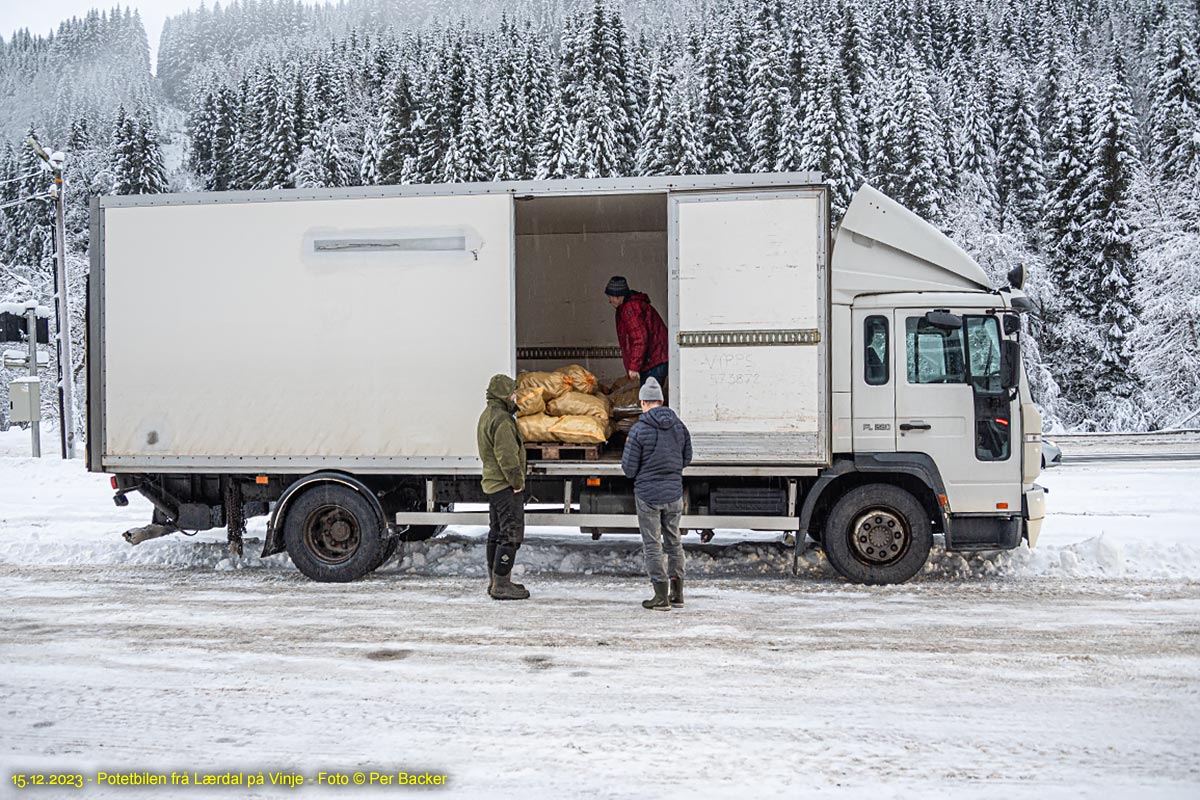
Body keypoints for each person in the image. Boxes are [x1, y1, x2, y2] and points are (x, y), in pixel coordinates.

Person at [621, 377, 692, 611]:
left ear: (643, 403)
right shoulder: (679, 426)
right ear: (661, 401)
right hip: (673, 495)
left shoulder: (638, 430)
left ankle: (660, 596)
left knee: (653, 545)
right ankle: (678, 595)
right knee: (674, 542)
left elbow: (629, 469)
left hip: (648, 496)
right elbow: (687, 458)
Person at [476, 374, 530, 601]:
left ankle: (495, 580)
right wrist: (517, 482)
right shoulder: (503, 421)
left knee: (496, 532)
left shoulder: (487, 415)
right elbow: (507, 457)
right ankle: (502, 584)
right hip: (505, 485)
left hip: (493, 483)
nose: (514, 396)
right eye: (512, 392)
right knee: (510, 533)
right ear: (503, 395)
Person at [605, 275, 669, 391]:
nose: (609, 300)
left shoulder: (630, 310)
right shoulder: (631, 306)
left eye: (610, 296)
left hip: (654, 361)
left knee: (650, 399)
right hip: (655, 359)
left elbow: (640, 339)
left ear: (619, 296)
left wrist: (634, 367)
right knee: (650, 398)